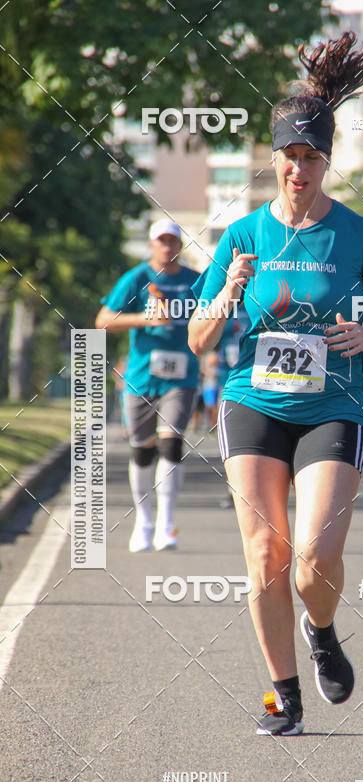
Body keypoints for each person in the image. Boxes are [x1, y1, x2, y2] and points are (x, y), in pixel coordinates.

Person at [188, 32, 363, 736]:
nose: (299, 169)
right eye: (290, 157)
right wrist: (227, 291)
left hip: (334, 405)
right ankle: (284, 693)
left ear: (326, 162)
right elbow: (199, 339)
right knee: (265, 554)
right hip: (252, 402)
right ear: (275, 159)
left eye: (312, 157)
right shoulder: (241, 235)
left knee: (314, 555)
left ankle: (323, 629)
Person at [96, 219, 203, 552]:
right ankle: (144, 521)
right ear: (152, 244)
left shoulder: (194, 281)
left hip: (182, 377)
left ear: (180, 245)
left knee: (171, 445)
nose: (168, 247)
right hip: (142, 377)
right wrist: (145, 318)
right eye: (162, 241)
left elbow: (216, 314)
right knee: (142, 451)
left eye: (173, 241)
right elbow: (103, 320)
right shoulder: (137, 279)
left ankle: (167, 525)